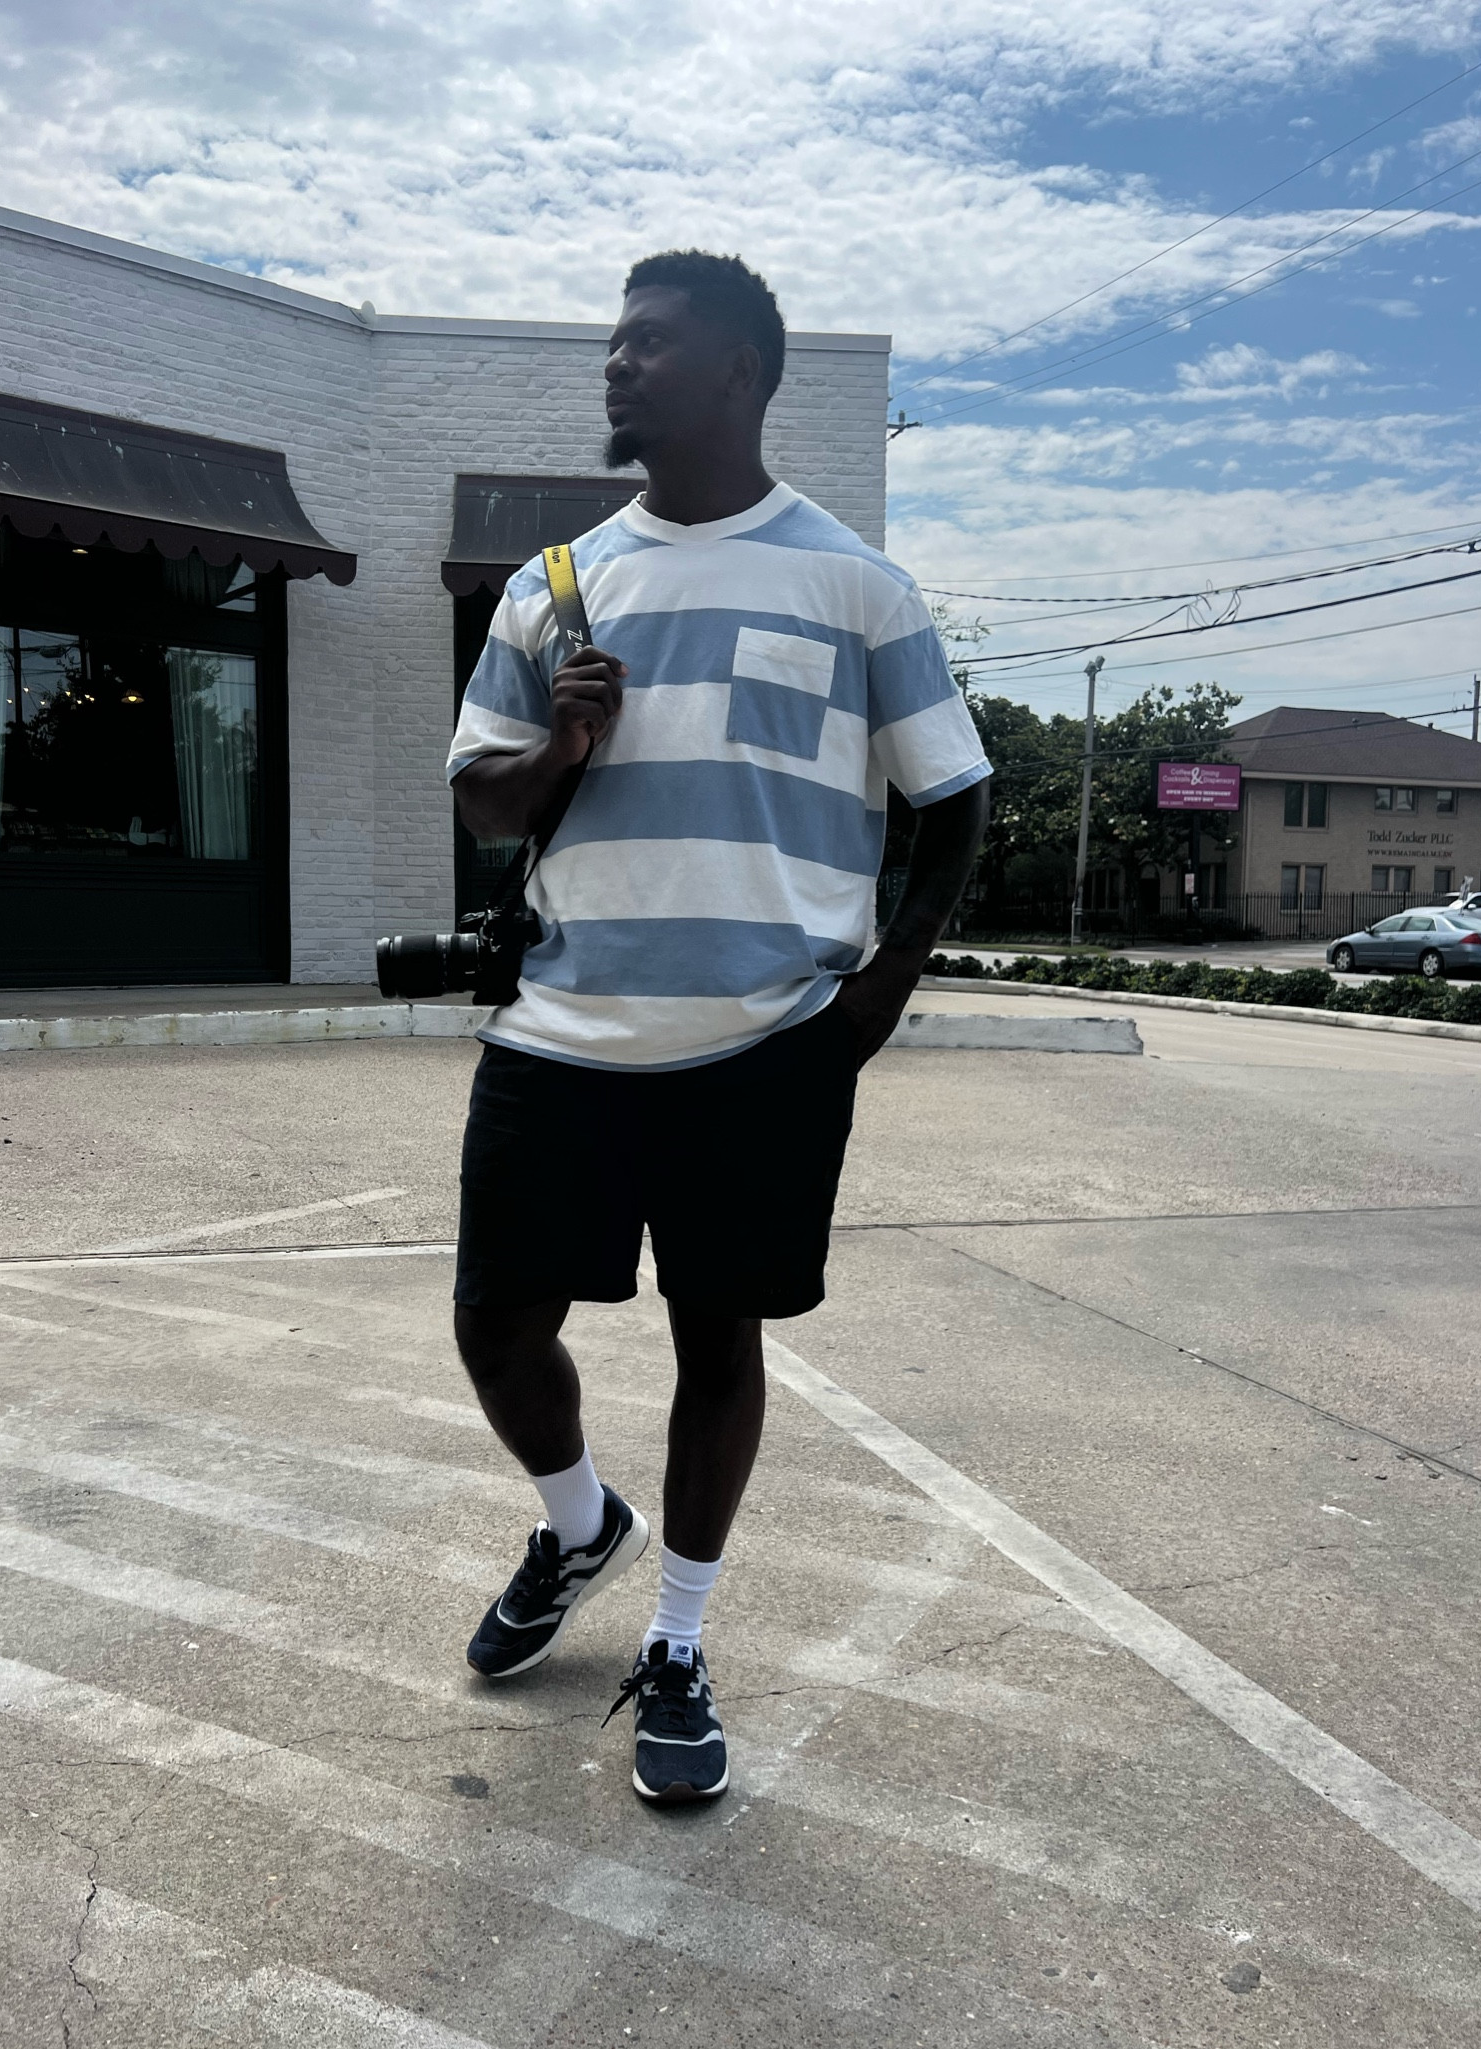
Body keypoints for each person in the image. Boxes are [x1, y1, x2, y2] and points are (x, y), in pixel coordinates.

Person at [447, 249, 990, 1806]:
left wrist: (873, 997)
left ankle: (676, 1642)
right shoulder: (554, 585)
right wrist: (560, 746)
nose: (618, 366)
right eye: (614, 344)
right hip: (558, 1029)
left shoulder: (853, 583)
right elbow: (483, 801)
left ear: (743, 374)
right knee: (495, 1322)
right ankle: (576, 1528)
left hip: (764, 1042)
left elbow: (951, 800)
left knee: (717, 1337)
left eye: (652, 345)